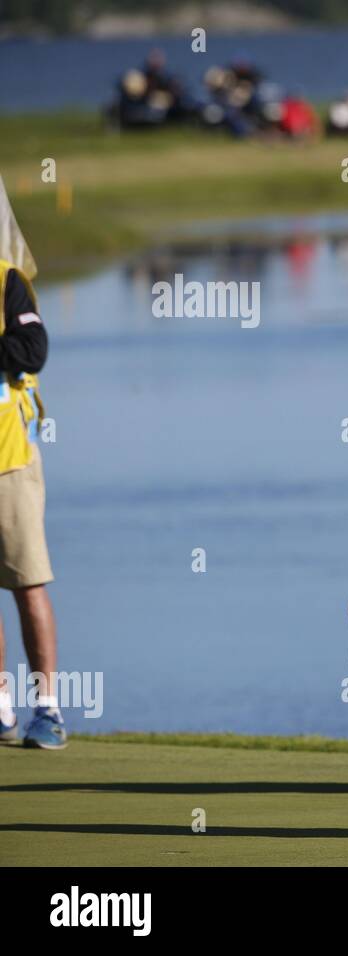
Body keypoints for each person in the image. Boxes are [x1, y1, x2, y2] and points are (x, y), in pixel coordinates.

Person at [0, 175, 64, 749]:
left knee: (28, 582)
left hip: (10, 463)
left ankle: (47, 708)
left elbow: (31, 349)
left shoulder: (7, 282)